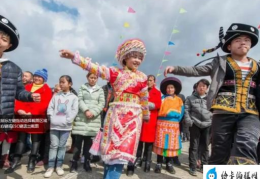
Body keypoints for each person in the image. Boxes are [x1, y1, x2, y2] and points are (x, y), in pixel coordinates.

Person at [164, 23, 260, 165]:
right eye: (238, 40)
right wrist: (175, 68)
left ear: (251, 44)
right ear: (229, 46)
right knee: (219, 151)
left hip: (250, 113)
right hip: (223, 112)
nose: (243, 42)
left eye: (246, 40)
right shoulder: (219, 62)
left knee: (247, 144)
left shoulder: (257, 65)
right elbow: (196, 70)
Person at [59, 38, 149, 179]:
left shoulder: (143, 77)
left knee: (120, 155)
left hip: (133, 120)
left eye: (140, 57)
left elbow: (144, 98)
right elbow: (96, 69)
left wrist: (146, 114)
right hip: (116, 117)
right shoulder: (116, 73)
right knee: (111, 154)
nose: (137, 60)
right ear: (125, 57)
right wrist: (74, 57)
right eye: (134, 56)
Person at [0, 15, 40, 170]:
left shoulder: (14, 68)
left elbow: (19, 92)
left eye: (4, 37)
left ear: (9, 45)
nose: (0, 38)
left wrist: (29, 96)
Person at [6, 69, 52, 174]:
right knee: (21, 139)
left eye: (39, 77)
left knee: (36, 140)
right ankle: (16, 160)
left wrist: (32, 113)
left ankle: (32, 159)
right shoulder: (26, 87)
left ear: (44, 79)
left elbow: (44, 104)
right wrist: (19, 110)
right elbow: (18, 99)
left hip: (36, 117)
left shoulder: (46, 89)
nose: (37, 78)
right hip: (23, 116)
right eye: (35, 76)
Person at [69, 72, 105, 173]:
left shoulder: (100, 89)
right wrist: (86, 111)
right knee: (77, 143)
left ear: (97, 79)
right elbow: (79, 100)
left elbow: (102, 103)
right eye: (91, 77)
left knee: (88, 144)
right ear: (87, 77)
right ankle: (74, 162)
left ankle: (86, 162)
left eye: (95, 78)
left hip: (93, 120)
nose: (93, 79)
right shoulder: (82, 87)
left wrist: (93, 112)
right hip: (82, 118)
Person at [44, 75, 78, 178]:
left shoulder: (74, 97)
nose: (61, 84)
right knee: (53, 146)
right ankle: (50, 167)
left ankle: (59, 166)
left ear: (70, 84)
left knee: (62, 146)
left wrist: (67, 120)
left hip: (65, 127)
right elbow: (50, 108)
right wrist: (51, 118)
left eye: (63, 82)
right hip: (54, 126)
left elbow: (74, 111)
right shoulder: (56, 96)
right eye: (60, 82)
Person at [128, 75, 161, 175]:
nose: (148, 82)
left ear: (154, 81)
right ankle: (137, 159)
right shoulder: (141, 90)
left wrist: (145, 104)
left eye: (151, 80)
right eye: (147, 80)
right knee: (138, 142)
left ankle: (147, 161)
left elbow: (158, 105)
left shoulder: (157, 92)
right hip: (140, 119)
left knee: (149, 143)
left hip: (150, 121)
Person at [153, 77, 184, 174]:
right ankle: (158, 163)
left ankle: (169, 163)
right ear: (166, 89)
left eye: (172, 87)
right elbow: (157, 110)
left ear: (175, 89)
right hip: (161, 124)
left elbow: (181, 113)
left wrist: (173, 120)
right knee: (161, 143)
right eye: (168, 88)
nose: (170, 89)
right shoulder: (161, 99)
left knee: (170, 145)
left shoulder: (179, 100)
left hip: (173, 125)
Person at [184, 79, 212, 176]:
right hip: (195, 124)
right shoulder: (190, 98)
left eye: (204, 86)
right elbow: (186, 110)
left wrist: (212, 121)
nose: (201, 87)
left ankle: (205, 166)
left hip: (208, 124)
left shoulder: (211, 98)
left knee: (205, 146)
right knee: (193, 146)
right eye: (200, 85)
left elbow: (215, 110)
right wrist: (189, 121)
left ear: (207, 88)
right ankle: (193, 166)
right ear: (196, 87)